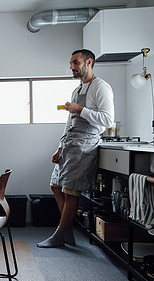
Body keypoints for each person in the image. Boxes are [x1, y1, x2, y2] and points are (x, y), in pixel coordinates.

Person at [37, 49, 114, 248]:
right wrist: (60, 147)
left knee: (71, 191)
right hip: (69, 144)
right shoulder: (77, 89)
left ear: (89, 62)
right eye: (71, 63)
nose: (72, 67)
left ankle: (60, 234)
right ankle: (67, 230)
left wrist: (80, 109)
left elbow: (107, 120)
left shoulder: (101, 87)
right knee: (55, 185)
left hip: (84, 146)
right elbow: (69, 121)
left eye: (76, 62)